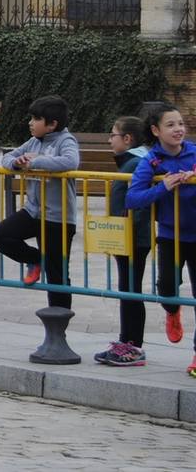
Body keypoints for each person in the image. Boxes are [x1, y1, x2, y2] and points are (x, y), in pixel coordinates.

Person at [0, 95, 80, 308]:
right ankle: (35, 259)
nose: (30, 123)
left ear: (52, 124)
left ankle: (58, 326)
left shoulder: (66, 141)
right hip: (32, 212)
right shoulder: (33, 141)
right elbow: (7, 158)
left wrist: (35, 162)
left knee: (57, 276)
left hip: (58, 218)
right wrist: (17, 163)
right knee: (0, 236)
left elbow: (70, 161)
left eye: (35, 119)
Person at [127, 103, 196, 377]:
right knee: (167, 286)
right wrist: (163, 187)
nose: (178, 129)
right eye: (170, 125)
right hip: (170, 235)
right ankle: (171, 310)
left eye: (180, 123)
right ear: (155, 131)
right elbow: (133, 198)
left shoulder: (193, 152)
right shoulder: (151, 161)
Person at [94, 115, 150, 367]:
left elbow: (138, 203)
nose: (109, 140)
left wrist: (127, 231)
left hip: (133, 237)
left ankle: (133, 346)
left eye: (113, 135)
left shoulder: (136, 163)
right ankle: (125, 342)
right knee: (126, 289)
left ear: (127, 139)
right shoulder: (130, 162)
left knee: (131, 290)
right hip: (124, 234)